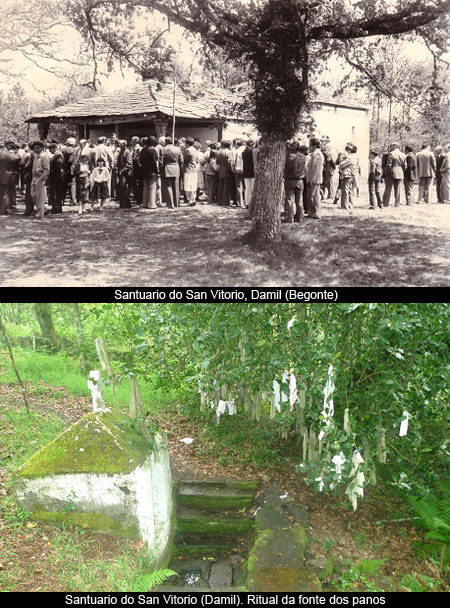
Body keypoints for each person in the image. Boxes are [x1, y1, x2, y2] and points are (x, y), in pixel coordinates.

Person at [284, 139, 306, 223]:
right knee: (299, 200)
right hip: (299, 180)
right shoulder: (303, 157)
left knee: (290, 200)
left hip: (289, 180)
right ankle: (300, 218)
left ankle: (290, 218)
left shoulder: (287, 157)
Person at [160, 136, 183, 208]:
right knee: (176, 186)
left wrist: (162, 168)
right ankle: (176, 203)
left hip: (167, 168)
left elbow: (161, 161)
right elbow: (181, 160)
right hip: (176, 168)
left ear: (166, 142)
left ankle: (170, 204)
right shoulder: (178, 149)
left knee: (168, 186)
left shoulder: (163, 149)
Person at [30, 141, 50, 220]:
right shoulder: (36, 156)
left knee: (39, 197)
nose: (36, 149)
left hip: (40, 178)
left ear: (41, 148)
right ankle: (42, 209)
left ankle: (39, 215)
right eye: (35, 148)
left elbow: (46, 170)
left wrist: (41, 179)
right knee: (32, 195)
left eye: (38, 147)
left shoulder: (44, 156)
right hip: (34, 178)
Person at [382, 142, 405, 207]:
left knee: (388, 188)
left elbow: (389, 164)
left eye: (392, 146)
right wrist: (401, 171)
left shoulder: (391, 154)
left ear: (394, 146)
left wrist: (387, 172)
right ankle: (397, 204)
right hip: (400, 173)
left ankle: (385, 203)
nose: (391, 147)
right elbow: (405, 165)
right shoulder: (403, 154)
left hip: (391, 173)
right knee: (398, 189)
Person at [306, 137, 324, 218]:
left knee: (311, 196)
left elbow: (314, 168)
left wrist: (311, 179)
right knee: (315, 196)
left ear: (313, 146)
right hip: (316, 178)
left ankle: (314, 212)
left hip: (314, 178)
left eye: (310, 145)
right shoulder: (317, 153)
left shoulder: (316, 154)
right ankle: (314, 212)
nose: (309, 147)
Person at [139, 136, 159, 209]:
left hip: (144, 170)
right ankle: (152, 204)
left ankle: (144, 203)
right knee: (152, 187)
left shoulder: (143, 150)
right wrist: (156, 170)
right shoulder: (153, 150)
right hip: (152, 171)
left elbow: (140, 160)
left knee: (146, 187)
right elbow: (154, 161)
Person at [48, 142, 66, 214]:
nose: (49, 151)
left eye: (50, 149)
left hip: (57, 176)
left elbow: (57, 166)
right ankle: (57, 207)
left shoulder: (58, 155)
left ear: (54, 148)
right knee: (56, 192)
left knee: (55, 192)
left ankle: (56, 208)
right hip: (57, 176)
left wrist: (52, 172)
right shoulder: (57, 154)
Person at [338, 144, 356, 211]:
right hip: (351, 175)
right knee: (349, 191)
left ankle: (345, 206)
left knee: (345, 190)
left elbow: (341, 164)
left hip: (348, 175)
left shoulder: (350, 158)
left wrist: (341, 166)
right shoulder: (354, 157)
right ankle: (350, 204)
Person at [116, 140, 133, 209]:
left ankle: (124, 204)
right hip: (121, 172)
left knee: (123, 188)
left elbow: (129, 164)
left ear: (124, 144)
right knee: (122, 188)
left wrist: (122, 171)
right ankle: (126, 204)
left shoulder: (127, 152)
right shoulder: (121, 152)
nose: (119, 145)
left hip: (125, 173)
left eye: (120, 144)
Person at [216, 140, 234, 207]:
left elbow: (217, 162)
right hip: (227, 170)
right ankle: (225, 202)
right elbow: (230, 162)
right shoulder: (229, 152)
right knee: (227, 187)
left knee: (220, 186)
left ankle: (219, 201)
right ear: (229, 145)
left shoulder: (219, 152)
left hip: (221, 170)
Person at [231, 138, 246, 208]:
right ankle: (246, 201)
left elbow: (233, 161)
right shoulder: (246, 149)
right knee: (245, 186)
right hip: (245, 170)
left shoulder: (236, 151)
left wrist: (233, 169)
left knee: (238, 186)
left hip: (238, 169)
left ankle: (240, 202)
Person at [183, 137, 198, 206]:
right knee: (193, 185)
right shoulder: (195, 150)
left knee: (188, 185)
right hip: (194, 169)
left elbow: (185, 160)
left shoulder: (187, 150)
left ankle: (190, 200)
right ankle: (193, 199)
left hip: (188, 169)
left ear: (187, 144)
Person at [242, 139, 256, 208]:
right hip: (253, 171)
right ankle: (252, 203)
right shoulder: (253, 151)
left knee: (247, 188)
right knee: (253, 188)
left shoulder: (243, 152)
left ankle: (247, 203)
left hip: (246, 171)